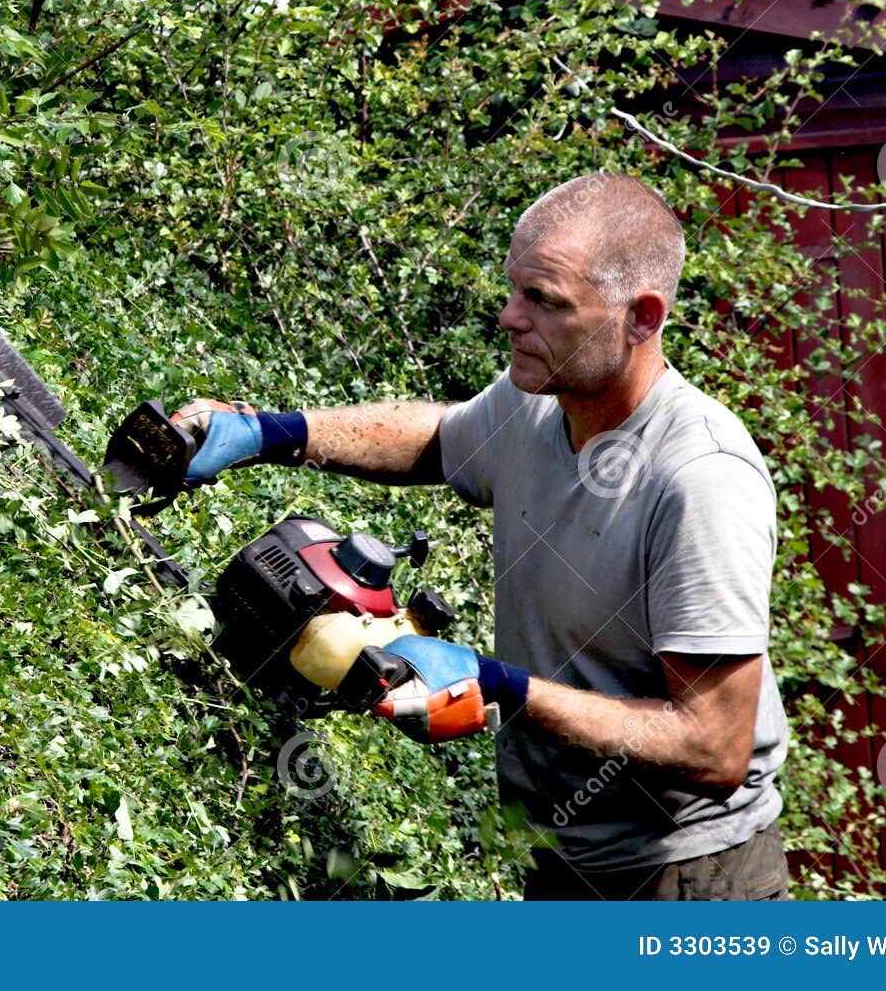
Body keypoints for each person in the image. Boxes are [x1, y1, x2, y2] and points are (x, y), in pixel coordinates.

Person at [172, 172, 791, 901]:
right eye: (514, 289)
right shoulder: (543, 400)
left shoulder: (699, 480)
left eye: (545, 301)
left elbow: (712, 744)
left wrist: (502, 685)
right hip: (555, 857)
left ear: (641, 317)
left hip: (688, 880)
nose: (508, 317)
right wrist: (271, 432)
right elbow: (440, 438)